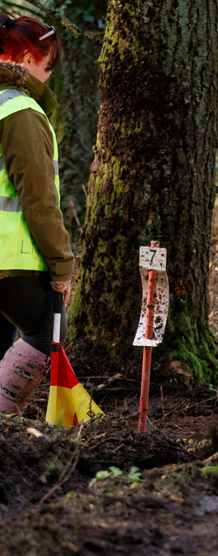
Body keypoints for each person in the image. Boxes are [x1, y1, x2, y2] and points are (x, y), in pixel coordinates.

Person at [0, 16, 72, 415]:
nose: (48, 78)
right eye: (47, 67)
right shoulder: (19, 109)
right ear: (28, 58)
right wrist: (61, 264)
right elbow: (39, 199)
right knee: (47, 333)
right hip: (9, 257)